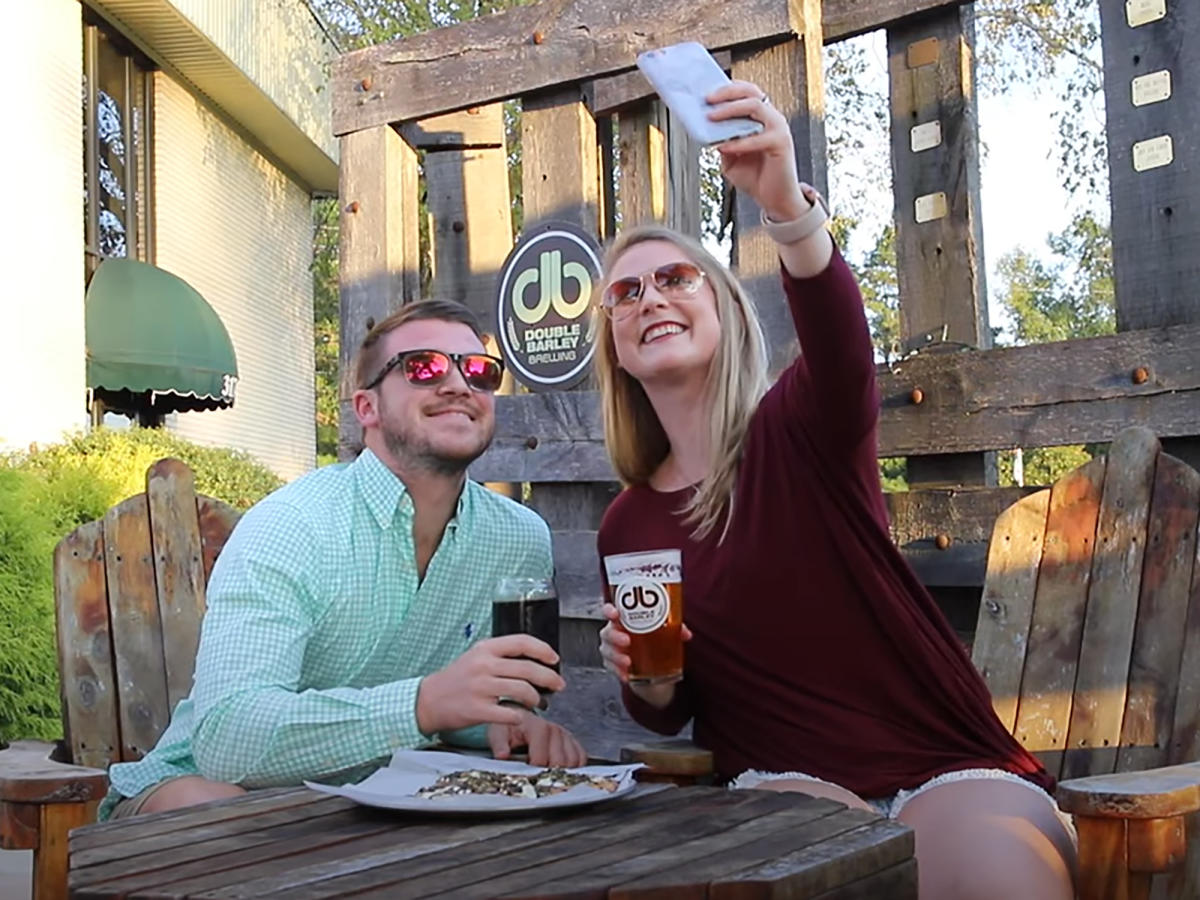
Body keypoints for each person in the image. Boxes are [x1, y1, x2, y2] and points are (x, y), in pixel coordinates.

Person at [594, 81, 1076, 899]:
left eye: (676, 278)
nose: (651, 299)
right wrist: (649, 682)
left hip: (940, 760)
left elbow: (842, 345)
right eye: (626, 292)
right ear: (615, 344)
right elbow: (666, 711)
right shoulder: (628, 523)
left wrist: (783, 205)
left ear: (724, 311)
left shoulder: (801, 427)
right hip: (782, 781)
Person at [100, 299, 585, 821]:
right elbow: (228, 741)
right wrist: (422, 704)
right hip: (217, 794)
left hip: (389, 801)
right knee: (224, 817)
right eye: (424, 367)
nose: (458, 385)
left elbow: (451, 707)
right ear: (366, 409)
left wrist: (497, 721)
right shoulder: (294, 525)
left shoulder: (519, 538)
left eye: (479, 371)